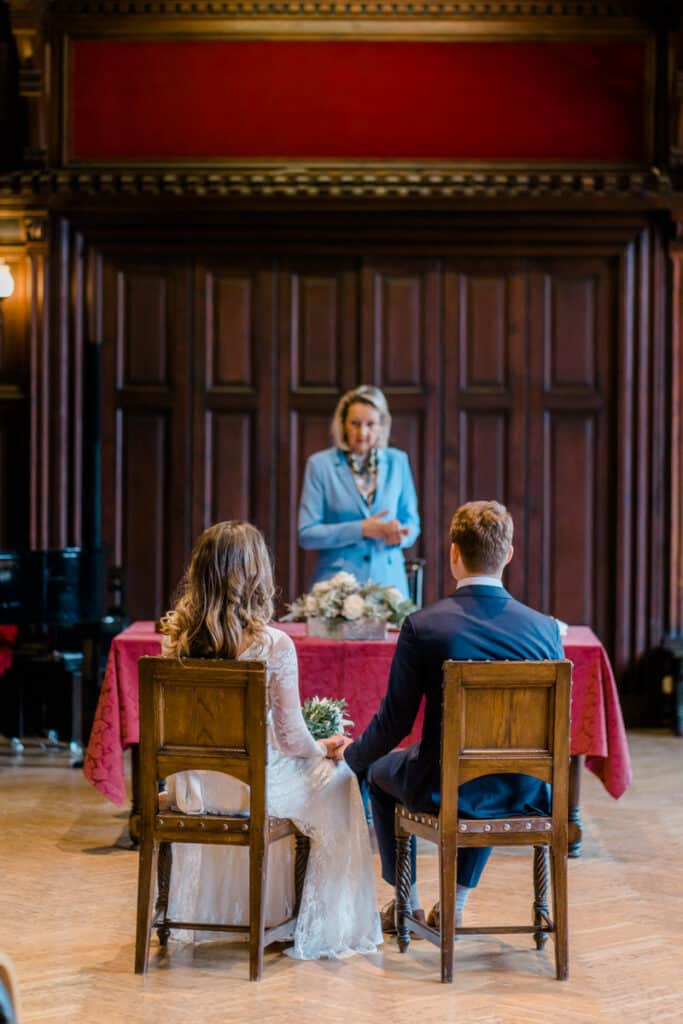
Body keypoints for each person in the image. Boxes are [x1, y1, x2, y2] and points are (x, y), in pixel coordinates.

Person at [333, 500, 564, 930]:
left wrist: (352, 758)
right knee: (490, 768)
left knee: (380, 775)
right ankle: (455, 903)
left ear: (453, 552)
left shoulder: (425, 626)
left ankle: (407, 904)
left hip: (445, 786)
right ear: (509, 554)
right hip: (525, 788)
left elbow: (395, 723)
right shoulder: (544, 629)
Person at [160, 520, 382, 960]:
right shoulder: (272, 644)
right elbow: (291, 738)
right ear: (255, 573)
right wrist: (324, 747)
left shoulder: (175, 642)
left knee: (308, 776)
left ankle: (238, 913)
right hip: (250, 790)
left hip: (195, 788)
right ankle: (319, 924)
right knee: (340, 781)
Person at [298, 385, 420, 599]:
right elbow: (307, 534)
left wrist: (400, 535)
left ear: (382, 425)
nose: (362, 432)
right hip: (335, 590)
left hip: (389, 587)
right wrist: (361, 529)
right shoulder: (320, 465)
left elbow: (413, 524)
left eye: (370, 424)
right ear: (343, 424)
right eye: (355, 423)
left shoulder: (398, 461)